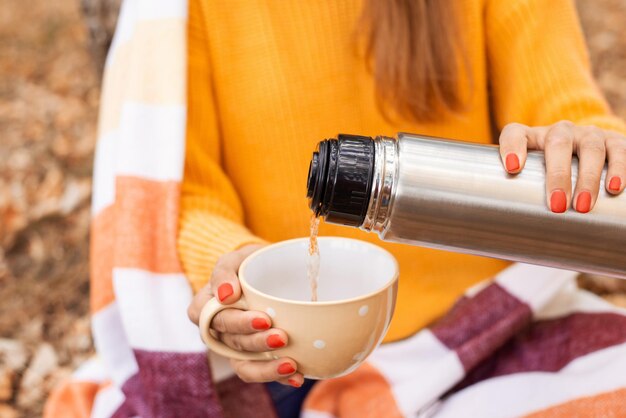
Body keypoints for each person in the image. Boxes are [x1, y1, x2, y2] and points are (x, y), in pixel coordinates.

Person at [182, 0, 626, 416]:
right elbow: (186, 190)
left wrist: (590, 152)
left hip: (499, 322)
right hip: (291, 362)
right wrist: (236, 274)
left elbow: (562, 104)